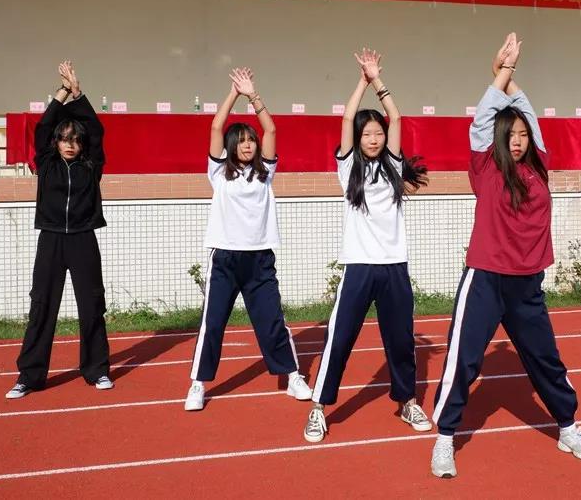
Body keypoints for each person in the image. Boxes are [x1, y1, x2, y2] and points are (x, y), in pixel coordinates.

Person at [429, 33, 581, 479]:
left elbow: (529, 116)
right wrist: (501, 74)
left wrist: (510, 77)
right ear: (499, 139)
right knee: (464, 361)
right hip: (485, 279)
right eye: (512, 135)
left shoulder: (539, 167)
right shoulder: (485, 167)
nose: (519, 140)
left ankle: (568, 426)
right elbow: (483, 119)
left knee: (546, 360)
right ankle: (445, 437)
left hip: (527, 283)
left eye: (523, 135)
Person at [303, 48, 431, 443]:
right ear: (358, 139)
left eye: (378, 133)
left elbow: (396, 117)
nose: (374, 139)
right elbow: (346, 119)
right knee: (340, 338)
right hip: (359, 266)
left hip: (394, 265)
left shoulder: (393, 165)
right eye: (367, 134)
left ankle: (407, 401)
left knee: (401, 340)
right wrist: (361, 82)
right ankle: (319, 408)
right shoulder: (348, 168)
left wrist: (379, 81)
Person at [184, 67, 311, 412]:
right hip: (225, 259)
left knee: (272, 323)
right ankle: (198, 384)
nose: (247, 145)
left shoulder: (265, 172)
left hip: (259, 259)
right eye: (240, 141)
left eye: (250, 140)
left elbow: (271, 129)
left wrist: (253, 96)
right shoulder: (218, 173)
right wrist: (233, 93)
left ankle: (292, 376)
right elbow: (215, 127)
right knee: (213, 324)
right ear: (231, 146)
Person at [6, 61, 112, 399]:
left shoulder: (91, 167)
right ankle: (29, 376)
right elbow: (42, 127)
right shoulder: (46, 164)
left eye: (75, 140)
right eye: (64, 139)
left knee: (92, 305)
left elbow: (95, 131)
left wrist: (79, 94)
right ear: (56, 143)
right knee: (42, 306)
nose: (69, 144)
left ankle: (97, 370)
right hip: (51, 239)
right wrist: (62, 93)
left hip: (83, 239)